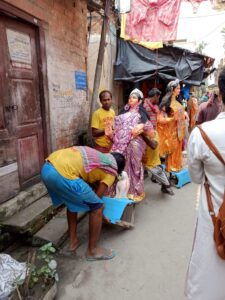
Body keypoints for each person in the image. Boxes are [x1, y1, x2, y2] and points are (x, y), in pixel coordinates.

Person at [41, 146, 125, 261]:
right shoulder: (112, 172)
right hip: (62, 174)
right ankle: (92, 251)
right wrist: (103, 217)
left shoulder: (98, 158)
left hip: (47, 167)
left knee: (72, 201)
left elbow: (88, 183)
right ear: (118, 170)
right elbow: (96, 200)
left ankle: (73, 241)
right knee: (98, 207)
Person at [185, 67, 225, 299]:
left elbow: (197, 178)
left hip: (214, 220)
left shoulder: (201, 135)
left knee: (207, 271)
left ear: (219, 92)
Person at [110, 88, 155, 201]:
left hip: (135, 145)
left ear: (139, 101)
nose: (131, 99)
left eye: (134, 97)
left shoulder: (142, 114)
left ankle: (133, 191)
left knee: (134, 167)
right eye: (130, 97)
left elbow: (151, 133)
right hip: (121, 145)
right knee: (121, 166)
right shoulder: (122, 113)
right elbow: (116, 128)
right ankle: (120, 192)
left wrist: (142, 127)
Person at [142, 88, 174, 195]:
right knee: (152, 163)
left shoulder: (153, 107)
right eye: (158, 97)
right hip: (147, 136)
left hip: (152, 136)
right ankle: (166, 184)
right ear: (155, 95)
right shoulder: (144, 106)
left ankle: (165, 184)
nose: (159, 99)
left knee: (152, 162)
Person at [157, 79, 187, 173]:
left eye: (179, 88)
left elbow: (180, 111)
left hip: (179, 132)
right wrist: (172, 119)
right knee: (172, 152)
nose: (179, 90)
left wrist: (184, 114)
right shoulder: (166, 103)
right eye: (177, 88)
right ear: (172, 89)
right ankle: (170, 170)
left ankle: (176, 168)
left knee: (178, 152)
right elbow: (159, 119)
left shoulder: (178, 102)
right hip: (170, 132)